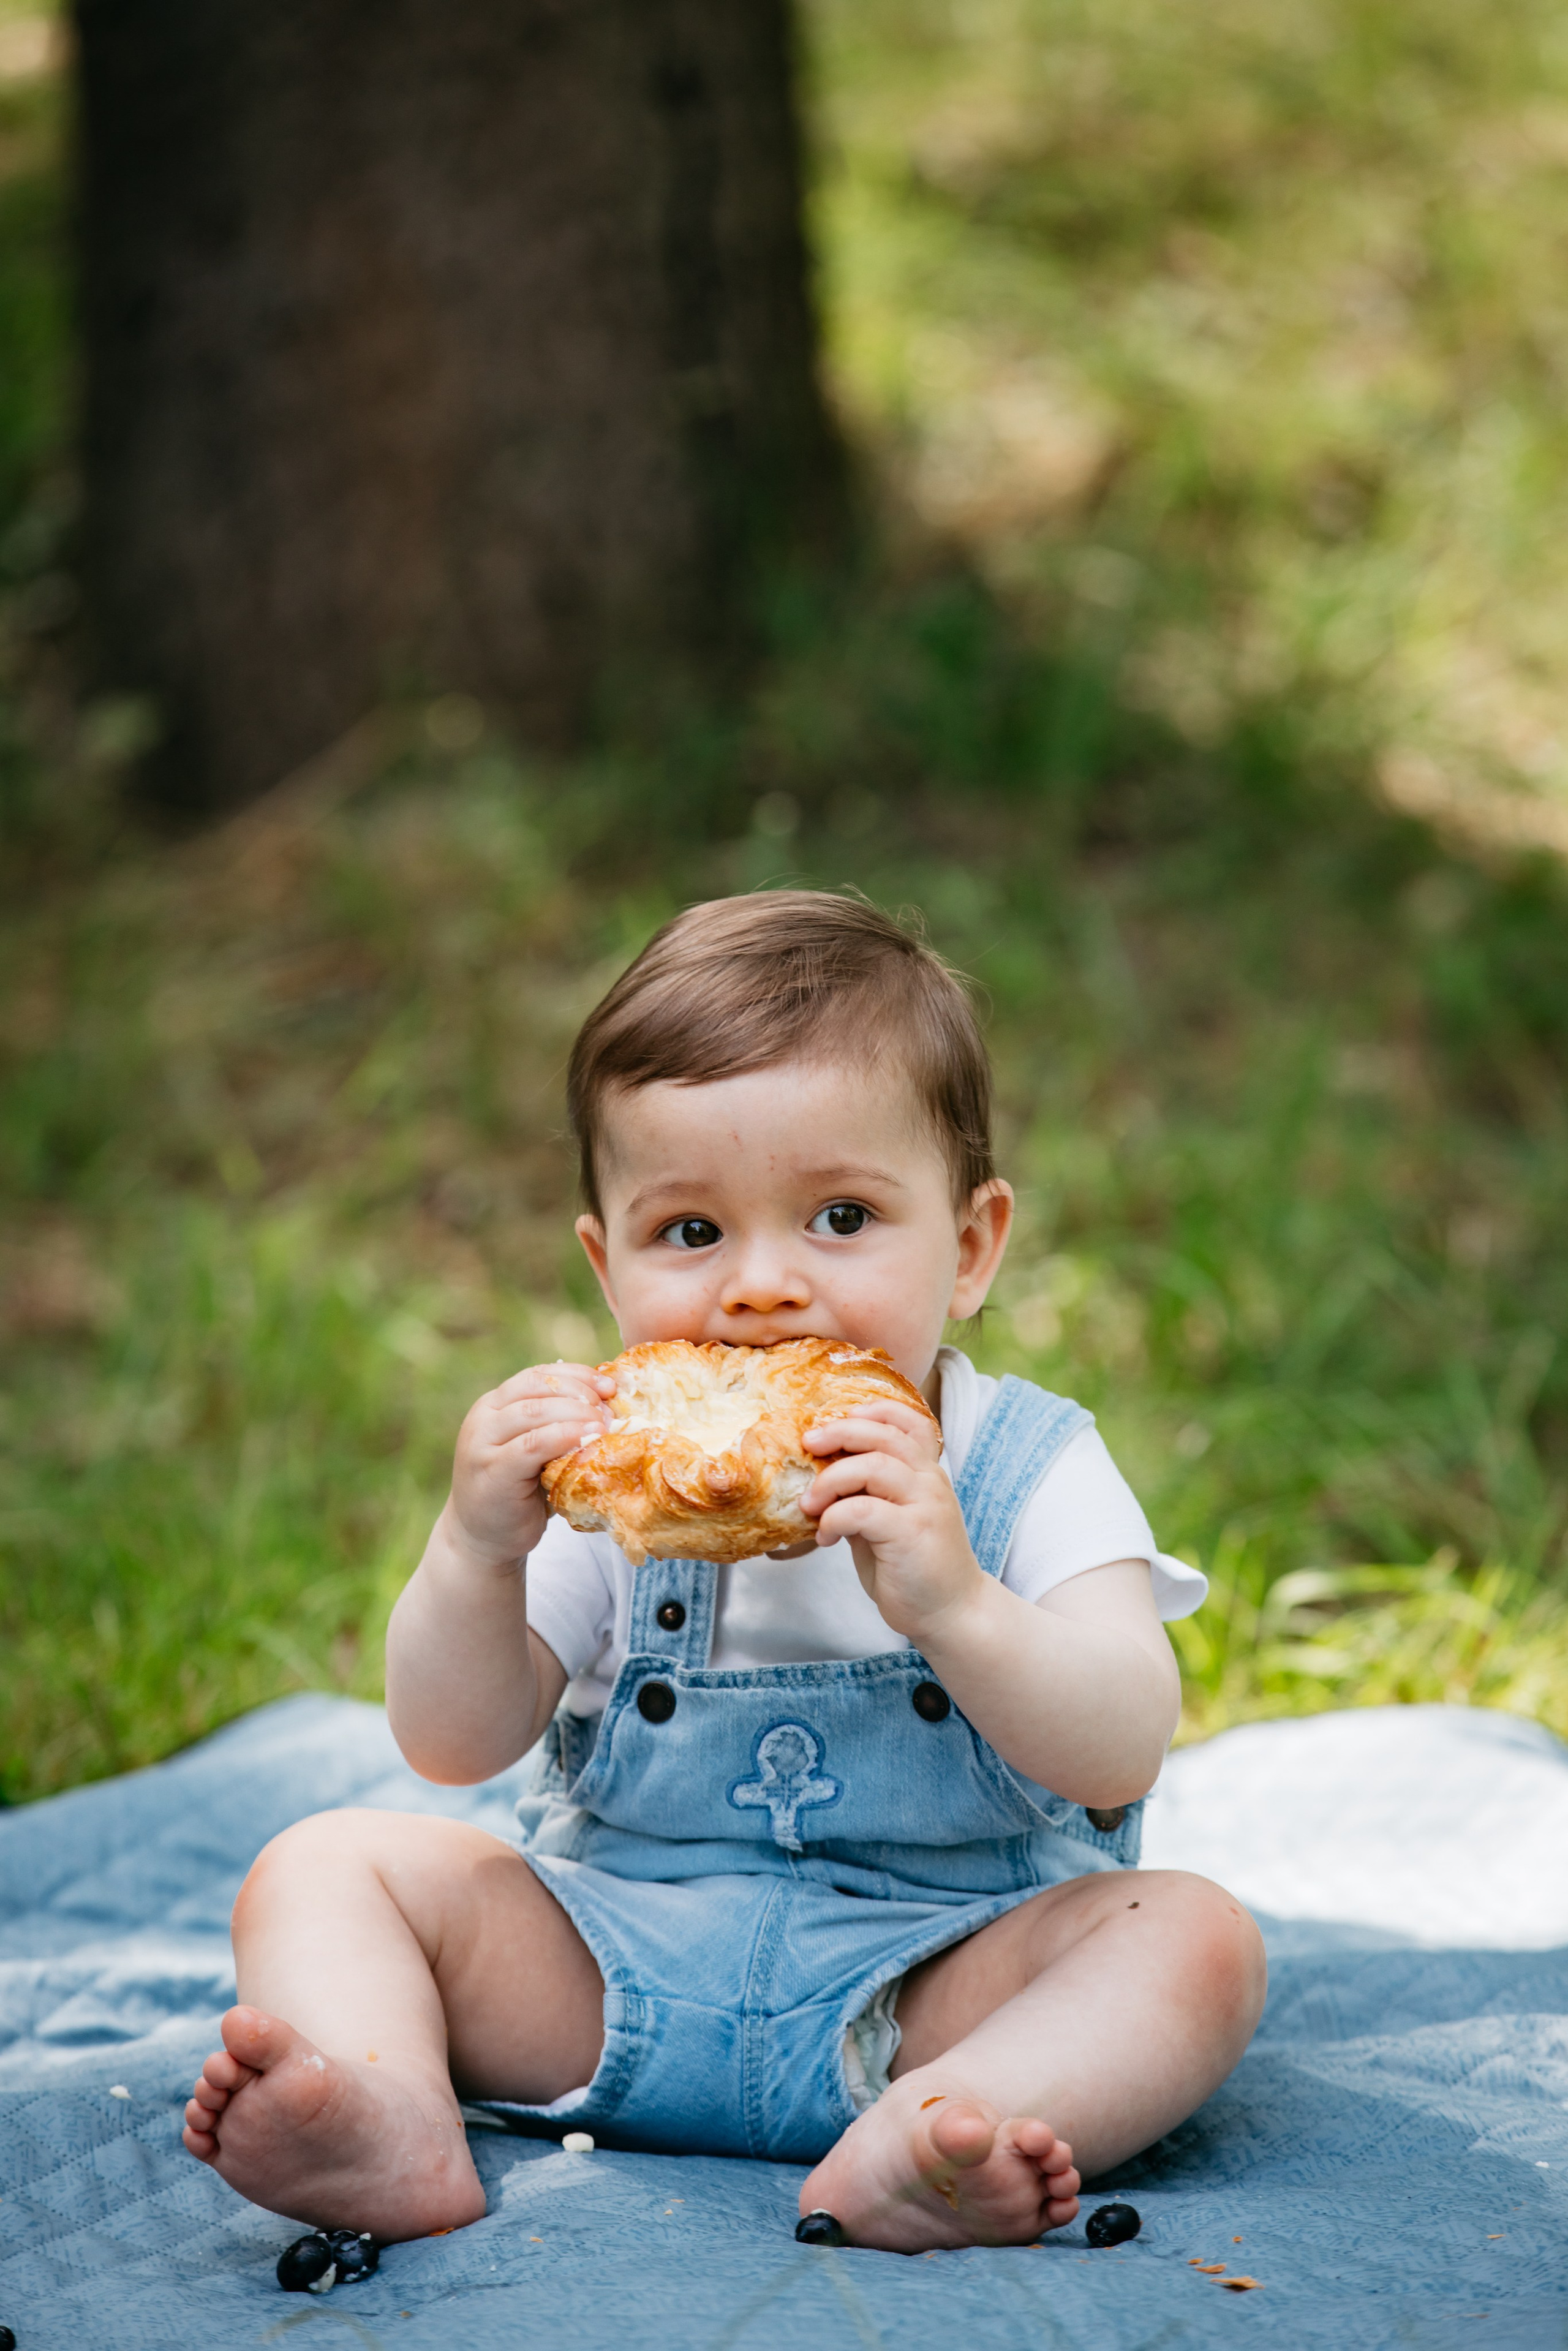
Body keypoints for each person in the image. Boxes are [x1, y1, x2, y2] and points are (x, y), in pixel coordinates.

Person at [181, 891, 1265, 2253]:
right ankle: (395, 2120)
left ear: (971, 1245)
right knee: (323, 1862)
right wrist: (473, 1550)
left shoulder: (1022, 1463)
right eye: (690, 1232)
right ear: (605, 1259)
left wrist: (957, 1605)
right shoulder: (609, 1481)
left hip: (930, 1977)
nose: (759, 1287)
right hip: (612, 1965)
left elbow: (1121, 1743)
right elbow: (451, 1743)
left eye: (840, 1215)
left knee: (1194, 1939)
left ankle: (939, 2127)